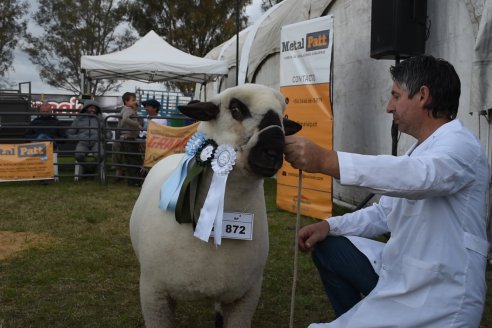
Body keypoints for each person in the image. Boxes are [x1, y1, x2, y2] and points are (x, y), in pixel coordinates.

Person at [283, 55, 489, 327]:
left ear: (423, 96)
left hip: (441, 294)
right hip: (405, 272)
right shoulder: (421, 149)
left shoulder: (462, 146)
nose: (389, 107)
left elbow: (419, 178)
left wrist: (327, 161)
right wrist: (329, 225)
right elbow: (384, 212)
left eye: (395, 95)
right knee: (328, 245)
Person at [67, 100, 111, 175]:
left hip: (96, 142)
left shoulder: (101, 119)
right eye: (91, 108)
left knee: (101, 155)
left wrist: (101, 137)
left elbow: (109, 134)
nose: (93, 110)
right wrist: (79, 137)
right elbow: (69, 134)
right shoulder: (78, 119)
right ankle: (89, 169)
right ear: (86, 108)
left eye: (94, 108)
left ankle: (89, 169)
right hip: (83, 142)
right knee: (78, 155)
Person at [117, 92, 144, 187]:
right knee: (134, 160)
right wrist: (138, 125)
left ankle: (132, 181)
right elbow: (125, 119)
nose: (135, 102)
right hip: (129, 138)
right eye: (133, 100)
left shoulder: (127, 109)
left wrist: (135, 111)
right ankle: (135, 181)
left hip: (126, 137)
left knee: (130, 160)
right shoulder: (128, 110)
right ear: (126, 101)